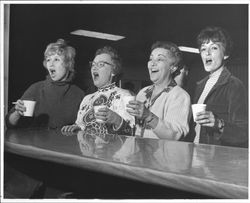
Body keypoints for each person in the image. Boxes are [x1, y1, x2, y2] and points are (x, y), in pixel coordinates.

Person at [5, 39, 85, 129]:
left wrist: (78, 127)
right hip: (34, 143)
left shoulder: (79, 94)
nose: (51, 64)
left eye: (56, 59)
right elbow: (9, 123)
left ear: (68, 64)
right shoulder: (36, 89)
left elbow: (85, 127)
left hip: (65, 143)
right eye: (48, 60)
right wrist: (17, 113)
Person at [191, 26, 248, 147]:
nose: (207, 53)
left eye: (214, 48)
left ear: (225, 55)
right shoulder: (200, 86)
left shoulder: (234, 85)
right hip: (195, 152)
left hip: (215, 159)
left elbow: (244, 133)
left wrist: (218, 123)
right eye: (203, 49)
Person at [62, 46, 134, 136]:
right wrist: (76, 128)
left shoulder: (125, 96)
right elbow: (81, 126)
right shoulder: (86, 99)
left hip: (111, 149)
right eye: (93, 64)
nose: (94, 68)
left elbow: (132, 133)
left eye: (101, 64)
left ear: (114, 70)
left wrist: (117, 120)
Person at [127, 41, 191, 140]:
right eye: (151, 59)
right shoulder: (143, 92)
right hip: (138, 153)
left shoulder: (179, 96)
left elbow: (175, 136)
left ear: (173, 67)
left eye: (160, 59)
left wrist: (148, 116)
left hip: (162, 154)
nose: (152, 63)